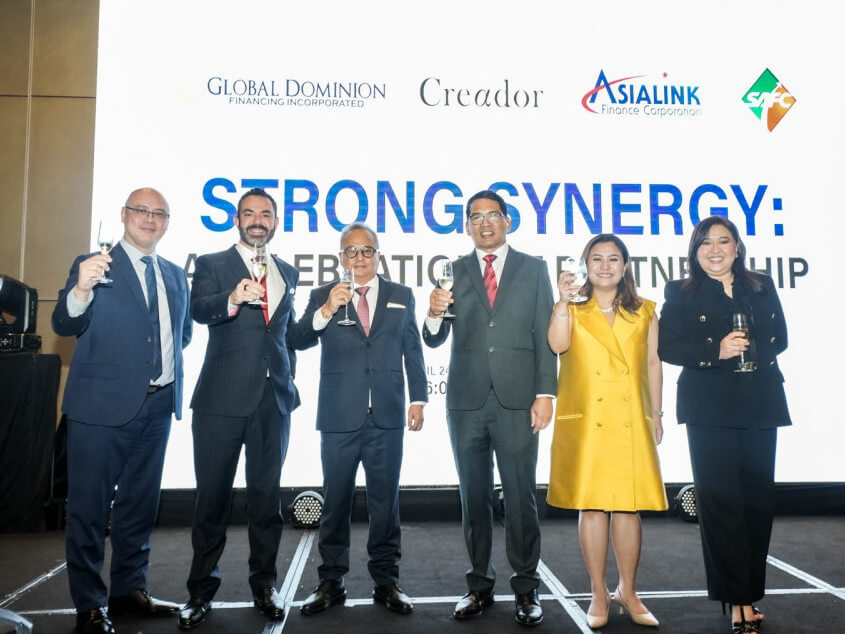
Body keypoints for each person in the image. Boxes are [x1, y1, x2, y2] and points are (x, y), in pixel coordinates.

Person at [52, 188, 192, 634]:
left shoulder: (174, 274)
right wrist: (80, 288)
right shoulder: (94, 265)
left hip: (156, 406)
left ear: (167, 222)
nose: (150, 219)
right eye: (141, 211)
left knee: (138, 506)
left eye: (159, 213)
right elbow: (64, 323)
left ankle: (129, 590)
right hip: (100, 409)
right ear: (123, 215)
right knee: (90, 510)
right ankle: (90, 604)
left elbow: (181, 335)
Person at [423, 190, 557, 626]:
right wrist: (433, 314)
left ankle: (526, 588)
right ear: (466, 225)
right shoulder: (453, 271)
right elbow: (434, 339)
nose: (484, 224)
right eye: (475, 217)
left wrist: (545, 393)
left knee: (521, 500)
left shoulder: (535, 269)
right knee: (473, 500)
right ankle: (479, 585)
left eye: (492, 216)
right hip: (465, 403)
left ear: (507, 221)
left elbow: (544, 335)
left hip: (520, 402)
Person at [658, 216, 791, 634]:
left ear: (737, 247)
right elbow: (667, 345)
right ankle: (736, 600)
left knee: (756, 504)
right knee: (721, 506)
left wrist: (756, 345)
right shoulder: (679, 291)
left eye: (724, 241)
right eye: (705, 244)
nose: (715, 250)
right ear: (695, 252)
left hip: (761, 401)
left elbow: (781, 338)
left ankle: (750, 592)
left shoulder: (761, 284)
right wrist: (715, 350)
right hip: (709, 406)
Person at [289, 223, 427, 616]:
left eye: (367, 251)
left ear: (378, 255)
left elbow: (413, 350)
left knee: (386, 503)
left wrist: (418, 399)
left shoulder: (401, 295)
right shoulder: (323, 296)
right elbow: (296, 339)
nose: (360, 258)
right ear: (340, 258)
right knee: (335, 502)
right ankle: (331, 581)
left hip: (386, 415)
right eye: (351, 251)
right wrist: (328, 309)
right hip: (338, 416)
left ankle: (386, 582)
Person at [179, 188, 300, 630]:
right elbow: (199, 309)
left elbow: (283, 334)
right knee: (211, 501)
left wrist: (289, 378)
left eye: (265, 214)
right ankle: (199, 591)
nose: (257, 220)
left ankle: (264, 585)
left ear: (275, 221)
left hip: (274, 402)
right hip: (220, 402)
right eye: (249, 213)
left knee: (267, 502)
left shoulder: (288, 270)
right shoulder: (212, 264)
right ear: (236, 219)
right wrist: (232, 298)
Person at [546, 234, 666, 629]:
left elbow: (652, 363)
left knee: (629, 507)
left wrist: (657, 413)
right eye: (596, 259)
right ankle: (598, 590)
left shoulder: (645, 310)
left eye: (613, 259)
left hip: (631, 418)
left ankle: (627, 590)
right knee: (592, 505)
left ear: (625, 266)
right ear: (585, 265)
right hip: (587, 423)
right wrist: (562, 301)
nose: (604, 266)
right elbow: (557, 346)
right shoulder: (571, 309)